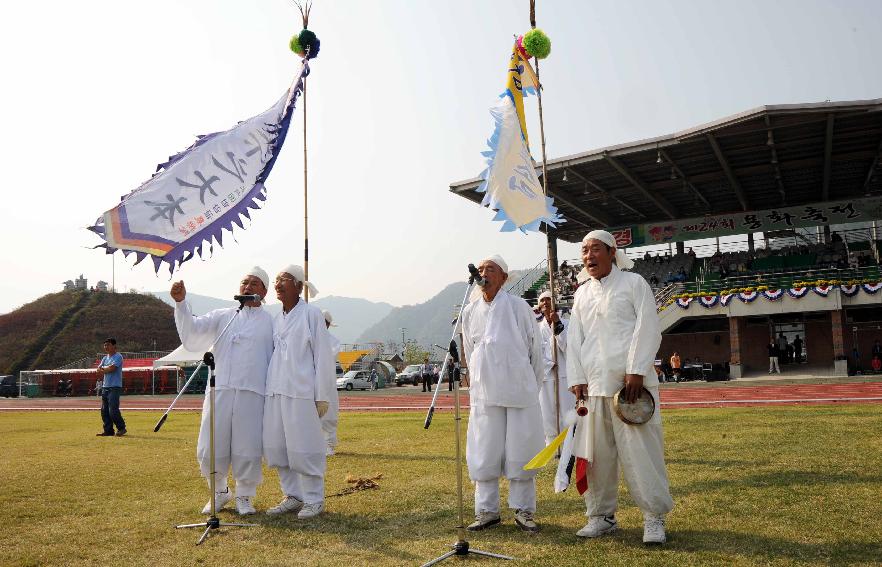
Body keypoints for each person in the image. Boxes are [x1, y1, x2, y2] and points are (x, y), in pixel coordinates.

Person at [566, 230, 674, 545]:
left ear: (612, 252)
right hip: (594, 387)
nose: (588, 256)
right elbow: (575, 339)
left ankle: (654, 517)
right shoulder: (581, 293)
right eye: (584, 251)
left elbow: (648, 327)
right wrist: (576, 377)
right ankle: (601, 517)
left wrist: (637, 370)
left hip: (630, 389)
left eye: (595, 249)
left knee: (642, 453)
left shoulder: (634, 284)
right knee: (596, 456)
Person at [172, 268, 273, 516]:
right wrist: (181, 303)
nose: (248, 287)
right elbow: (193, 333)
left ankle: (245, 496)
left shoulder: (272, 321)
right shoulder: (223, 315)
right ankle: (219, 492)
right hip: (220, 391)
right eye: (244, 282)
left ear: (264, 291)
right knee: (210, 445)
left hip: (253, 392)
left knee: (247, 447)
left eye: (254, 283)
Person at [461, 254, 544, 532]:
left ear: (504, 277)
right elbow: (470, 351)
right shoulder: (470, 310)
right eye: (481, 268)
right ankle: (486, 511)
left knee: (521, 450)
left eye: (491, 269)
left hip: (520, 391)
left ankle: (523, 510)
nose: (484, 273)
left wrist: (532, 386)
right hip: (485, 394)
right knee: (484, 450)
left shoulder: (519, 306)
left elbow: (535, 350)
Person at [263, 265, 335, 519]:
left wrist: (322, 395)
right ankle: (293, 496)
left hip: (302, 391)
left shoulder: (311, 314)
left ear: (298, 285)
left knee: (305, 445)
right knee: (278, 445)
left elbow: (323, 357)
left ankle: (314, 499)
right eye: (276, 280)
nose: (278, 284)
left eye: (283, 280)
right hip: (276, 390)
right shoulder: (275, 318)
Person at [536, 290, 576, 447]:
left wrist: (557, 325)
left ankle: (570, 444)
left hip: (565, 375)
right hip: (546, 377)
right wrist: (548, 363)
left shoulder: (567, 323)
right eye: (542, 300)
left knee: (567, 411)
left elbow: (569, 347)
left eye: (548, 299)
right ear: (539, 307)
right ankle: (552, 446)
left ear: (555, 303)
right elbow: (535, 352)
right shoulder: (536, 329)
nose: (545, 302)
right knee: (548, 414)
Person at [96, 338, 126, 437]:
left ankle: (121, 428)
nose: (106, 347)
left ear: (114, 346)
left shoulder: (118, 356)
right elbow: (98, 369)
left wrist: (104, 369)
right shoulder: (105, 358)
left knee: (113, 410)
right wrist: (105, 369)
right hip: (105, 387)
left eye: (108, 345)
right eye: (105, 345)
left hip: (115, 387)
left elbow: (113, 368)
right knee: (104, 411)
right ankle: (108, 431)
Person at [321, 310, 341, 457]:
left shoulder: (333, 341)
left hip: (326, 382)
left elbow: (326, 358)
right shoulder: (307, 337)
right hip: (309, 382)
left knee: (328, 412)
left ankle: (328, 445)